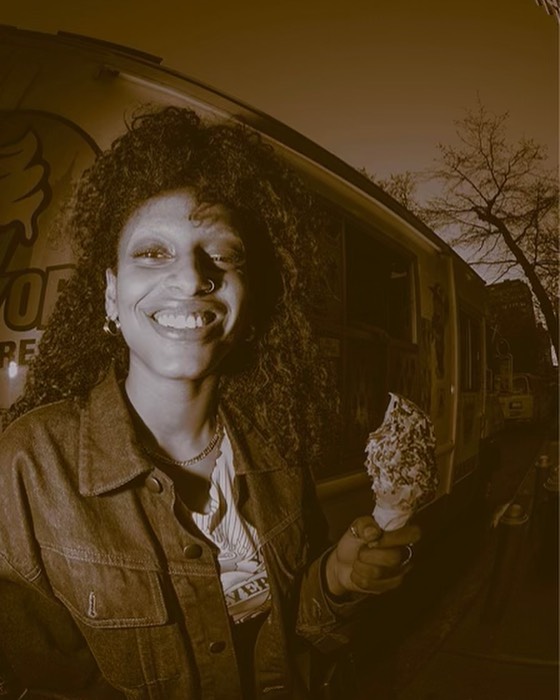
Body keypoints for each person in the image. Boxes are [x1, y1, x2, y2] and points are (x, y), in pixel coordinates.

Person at [0, 106, 420, 700]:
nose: (192, 276)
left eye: (222, 255)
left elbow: (293, 639)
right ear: (112, 296)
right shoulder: (28, 467)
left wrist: (335, 581)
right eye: (153, 253)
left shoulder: (277, 447)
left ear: (249, 303)